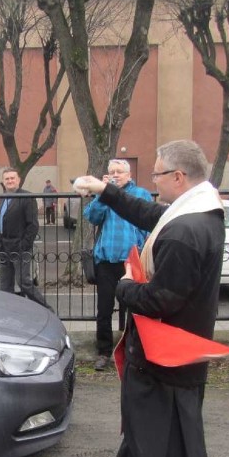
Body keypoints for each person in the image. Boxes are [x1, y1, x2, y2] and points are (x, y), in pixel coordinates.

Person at [74, 140, 229, 457]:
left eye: (158, 174)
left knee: (170, 447)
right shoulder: (195, 211)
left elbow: (162, 300)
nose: (153, 182)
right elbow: (148, 214)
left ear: (179, 177)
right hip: (169, 355)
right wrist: (102, 190)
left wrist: (125, 285)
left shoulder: (184, 232)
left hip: (167, 358)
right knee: (146, 433)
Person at [83, 159, 152, 371]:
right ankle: (103, 352)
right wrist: (103, 194)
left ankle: (133, 350)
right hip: (107, 259)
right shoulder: (104, 195)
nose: (115, 175)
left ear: (129, 175)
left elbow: (148, 224)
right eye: (111, 171)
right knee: (104, 309)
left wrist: (141, 247)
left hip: (131, 261)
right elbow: (92, 217)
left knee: (134, 308)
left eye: (119, 172)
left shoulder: (141, 194)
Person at [0, 167, 51, 309]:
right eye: (7, 179)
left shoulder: (26, 197)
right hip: (4, 246)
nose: (10, 181)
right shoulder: (3, 198)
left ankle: (46, 309)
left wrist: (24, 245)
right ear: (3, 181)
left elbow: (32, 225)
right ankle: (7, 312)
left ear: (19, 180)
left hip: (19, 246)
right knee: (5, 285)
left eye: (12, 178)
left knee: (24, 282)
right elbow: (1, 221)